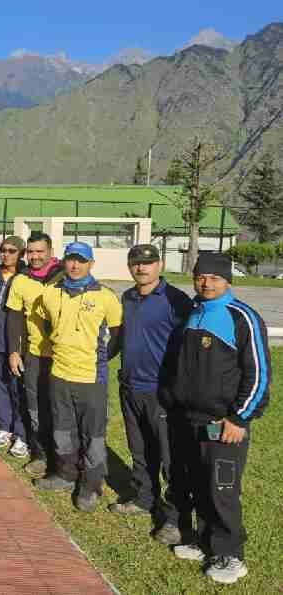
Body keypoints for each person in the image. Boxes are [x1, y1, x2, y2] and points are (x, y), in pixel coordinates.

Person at [166, 254, 271, 585]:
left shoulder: (242, 317)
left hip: (225, 423)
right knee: (199, 483)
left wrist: (239, 418)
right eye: (201, 277)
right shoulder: (194, 312)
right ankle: (205, 541)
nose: (206, 283)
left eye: (214, 278)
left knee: (222, 489)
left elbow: (259, 375)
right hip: (190, 420)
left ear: (227, 281)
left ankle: (231, 555)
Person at [110, 244, 191, 546]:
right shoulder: (128, 297)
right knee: (140, 450)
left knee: (170, 457)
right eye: (135, 263)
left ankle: (175, 518)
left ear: (160, 265)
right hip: (130, 387)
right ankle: (144, 498)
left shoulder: (175, 300)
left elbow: (188, 348)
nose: (141, 268)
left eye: (148, 263)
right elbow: (120, 339)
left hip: (161, 391)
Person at [34, 242, 122, 514]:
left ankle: (91, 485)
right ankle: (65, 474)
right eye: (71, 259)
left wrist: (96, 360)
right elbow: (47, 324)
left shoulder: (106, 297)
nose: (75, 265)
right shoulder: (50, 293)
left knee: (92, 435)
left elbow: (116, 336)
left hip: (90, 378)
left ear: (90, 264)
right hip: (59, 373)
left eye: (81, 260)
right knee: (62, 429)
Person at [5, 231, 64, 476]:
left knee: (62, 409)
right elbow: (14, 318)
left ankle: (65, 459)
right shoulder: (20, 280)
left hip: (64, 356)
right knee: (36, 408)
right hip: (34, 354)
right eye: (31, 252)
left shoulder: (65, 276)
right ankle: (40, 455)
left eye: (40, 251)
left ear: (50, 252)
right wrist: (14, 351)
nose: (35, 256)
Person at [0, 236, 29, 458]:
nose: (6, 254)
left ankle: (21, 434)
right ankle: (4, 427)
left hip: (13, 345)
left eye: (11, 251)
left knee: (17, 391)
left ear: (21, 254)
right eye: (3, 250)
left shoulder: (25, 278)